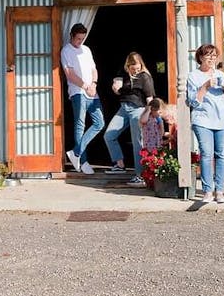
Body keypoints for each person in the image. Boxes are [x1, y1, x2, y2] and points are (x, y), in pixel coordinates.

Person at [187, 44, 224, 204]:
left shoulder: (220, 74)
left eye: (214, 56)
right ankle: (208, 191)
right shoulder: (193, 76)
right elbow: (193, 101)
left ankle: (219, 191)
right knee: (207, 154)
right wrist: (206, 86)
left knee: (221, 155)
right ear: (200, 57)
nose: (212, 58)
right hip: (202, 119)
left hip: (221, 119)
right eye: (208, 55)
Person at [103, 52, 156, 186]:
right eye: (133, 68)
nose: (136, 71)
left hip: (138, 109)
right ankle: (119, 165)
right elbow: (117, 88)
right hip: (123, 108)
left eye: (138, 68)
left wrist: (149, 114)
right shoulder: (124, 74)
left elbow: (150, 98)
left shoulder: (145, 77)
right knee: (109, 135)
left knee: (137, 142)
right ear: (128, 65)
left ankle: (141, 176)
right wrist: (115, 87)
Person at [61, 23, 104, 175]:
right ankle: (83, 161)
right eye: (78, 38)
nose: (80, 41)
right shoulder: (66, 50)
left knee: (100, 122)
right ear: (72, 36)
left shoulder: (86, 49)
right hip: (77, 91)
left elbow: (94, 69)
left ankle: (76, 153)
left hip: (91, 91)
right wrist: (86, 86)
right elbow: (70, 74)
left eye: (83, 38)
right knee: (80, 124)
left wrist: (94, 84)